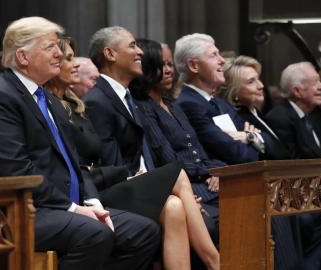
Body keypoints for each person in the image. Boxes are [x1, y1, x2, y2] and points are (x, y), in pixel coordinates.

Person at [0, 17, 160, 270]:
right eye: (50, 47)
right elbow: (16, 171)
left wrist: (91, 200)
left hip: (65, 207)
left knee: (143, 231)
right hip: (20, 212)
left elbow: (77, 162)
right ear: (22, 57)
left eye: (58, 46)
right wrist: (72, 208)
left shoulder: (48, 98)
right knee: (95, 233)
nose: (59, 54)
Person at [83, 27, 220, 270]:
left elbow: (145, 156)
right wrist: (156, 182)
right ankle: (215, 261)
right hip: (115, 190)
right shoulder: (97, 100)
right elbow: (110, 165)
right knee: (177, 174)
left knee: (175, 207)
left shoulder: (126, 97)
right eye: (132, 46)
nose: (139, 53)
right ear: (110, 53)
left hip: (138, 186)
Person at [129, 38, 223, 244]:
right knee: (232, 216)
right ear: (147, 67)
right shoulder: (142, 107)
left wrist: (216, 170)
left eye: (170, 64)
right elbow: (167, 158)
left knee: (259, 206)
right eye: (162, 64)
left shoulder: (172, 105)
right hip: (185, 185)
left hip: (204, 182)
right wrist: (207, 172)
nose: (169, 70)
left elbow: (197, 149)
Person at [266, 62, 321, 270]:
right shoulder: (280, 117)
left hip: (315, 187)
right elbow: (288, 162)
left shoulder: (312, 116)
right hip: (292, 190)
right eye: (315, 82)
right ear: (297, 91)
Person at [174, 33, 260, 165]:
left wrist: (249, 136)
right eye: (214, 55)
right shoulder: (189, 105)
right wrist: (251, 139)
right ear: (193, 66)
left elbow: (263, 138)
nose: (222, 61)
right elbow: (237, 154)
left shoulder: (220, 103)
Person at [217, 55, 290, 160]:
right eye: (251, 82)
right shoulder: (238, 119)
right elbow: (277, 154)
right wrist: (253, 137)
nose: (261, 85)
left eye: (258, 79)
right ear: (234, 91)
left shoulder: (254, 112)